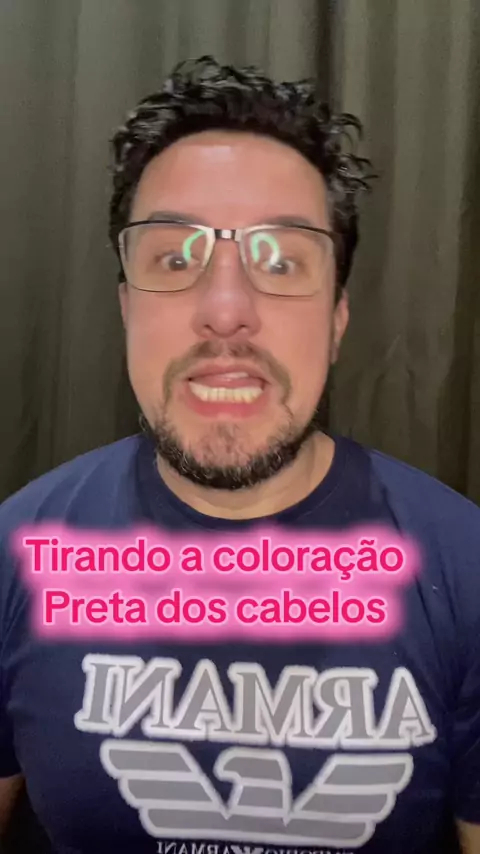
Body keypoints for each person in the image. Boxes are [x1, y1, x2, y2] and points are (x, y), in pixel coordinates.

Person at [0, 55, 479, 854]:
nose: (226, 311)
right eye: (174, 259)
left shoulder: (466, 568)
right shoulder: (16, 554)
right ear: (125, 306)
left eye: (282, 262)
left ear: (337, 319)